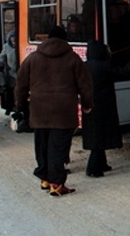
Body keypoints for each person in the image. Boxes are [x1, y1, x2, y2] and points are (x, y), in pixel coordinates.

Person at [15, 26, 94, 196]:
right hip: (64, 112)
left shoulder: (33, 58)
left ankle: (45, 179)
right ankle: (57, 184)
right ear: (65, 39)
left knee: (42, 145)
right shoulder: (73, 58)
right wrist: (87, 104)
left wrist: (21, 106)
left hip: (39, 111)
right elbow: (85, 85)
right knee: (58, 147)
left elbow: (20, 85)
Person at [83, 40, 123, 177]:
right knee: (100, 137)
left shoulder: (85, 66)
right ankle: (93, 169)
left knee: (96, 135)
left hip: (89, 105)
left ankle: (102, 163)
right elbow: (123, 72)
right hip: (104, 105)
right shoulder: (105, 66)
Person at [0, 31, 18, 116]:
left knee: (18, 91)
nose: (14, 42)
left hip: (21, 72)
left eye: (15, 40)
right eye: (12, 40)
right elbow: (1, 57)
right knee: (11, 91)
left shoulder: (20, 45)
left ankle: (18, 107)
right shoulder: (6, 47)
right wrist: (0, 67)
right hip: (11, 73)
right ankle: (10, 107)